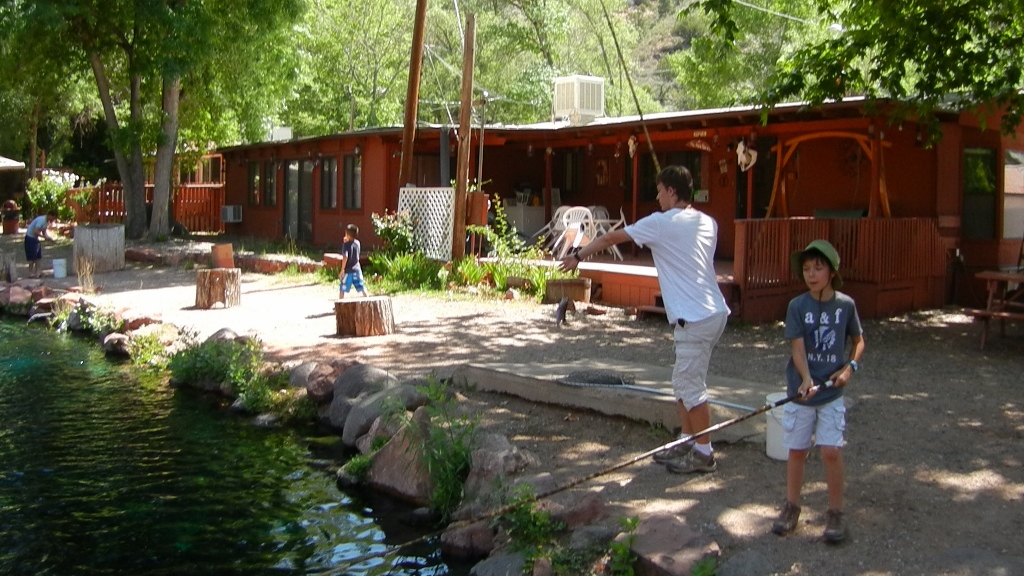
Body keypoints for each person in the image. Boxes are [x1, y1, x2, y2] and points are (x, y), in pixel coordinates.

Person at [559, 165, 730, 474]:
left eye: (660, 189)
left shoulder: (660, 223)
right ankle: (688, 441)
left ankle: (704, 453)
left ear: (672, 192)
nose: (657, 195)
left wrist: (578, 256)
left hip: (695, 316)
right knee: (682, 381)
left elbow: (612, 237)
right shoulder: (708, 222)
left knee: (690, 386)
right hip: (711, 311)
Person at [771, 239, 865, 544]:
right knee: (797, 451)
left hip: (832, 394)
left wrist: (850, 366)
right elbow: (797, 347)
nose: (811, 274)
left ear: (832, 272)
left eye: (818, 268)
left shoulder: (846, 305)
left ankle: (835, 513)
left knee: (830, 451)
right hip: (802, 392)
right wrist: (805, 378)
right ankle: (791, 506)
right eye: (807, 269)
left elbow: (859, 340)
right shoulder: (797, 306)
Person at [339, 224, 369, 299]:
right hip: (357, 270)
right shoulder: (358, 243)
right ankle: (368, 300)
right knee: (361, 286)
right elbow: (354, 249)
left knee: (343, 287)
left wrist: (342, 269)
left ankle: (340, 303)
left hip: (348, 271)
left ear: (348, 235)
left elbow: (345, 257)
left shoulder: (345, 245)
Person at [24, 211, 57, 278]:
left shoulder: (47, 222)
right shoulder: (42, 220)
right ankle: (30, 273)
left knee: (38, 256)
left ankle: (38, 272)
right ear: (49, 215)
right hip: (30, 238)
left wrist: (48, 238)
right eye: (52, 218)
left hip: (35, 238)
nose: (52, 220)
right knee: (32, 257)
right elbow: (35, 232)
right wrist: (44, 237)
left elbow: (44, 231)